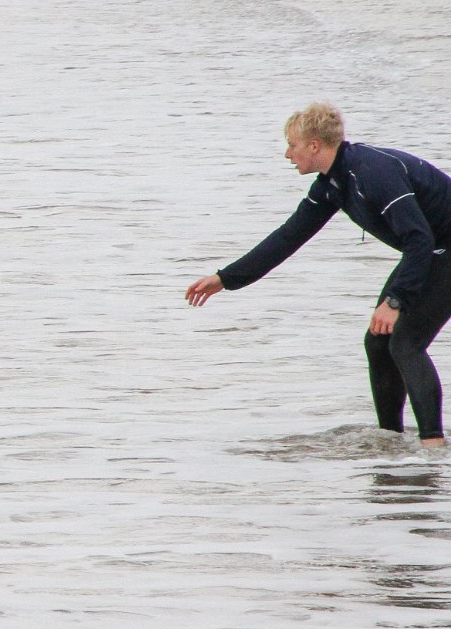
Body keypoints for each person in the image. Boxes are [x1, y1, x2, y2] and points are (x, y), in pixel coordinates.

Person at [185, 104, 451, 447]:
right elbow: (288, 237)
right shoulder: (333, 183)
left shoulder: (372, 172)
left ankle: (433, 447)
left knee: (404, 341)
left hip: (439, 249)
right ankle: (391, 441)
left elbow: (418, 237)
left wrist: (396, 300)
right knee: (378, 340)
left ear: (314, 145)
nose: (287, 154)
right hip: (432, 251)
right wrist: (225, 278)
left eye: (292, 145)